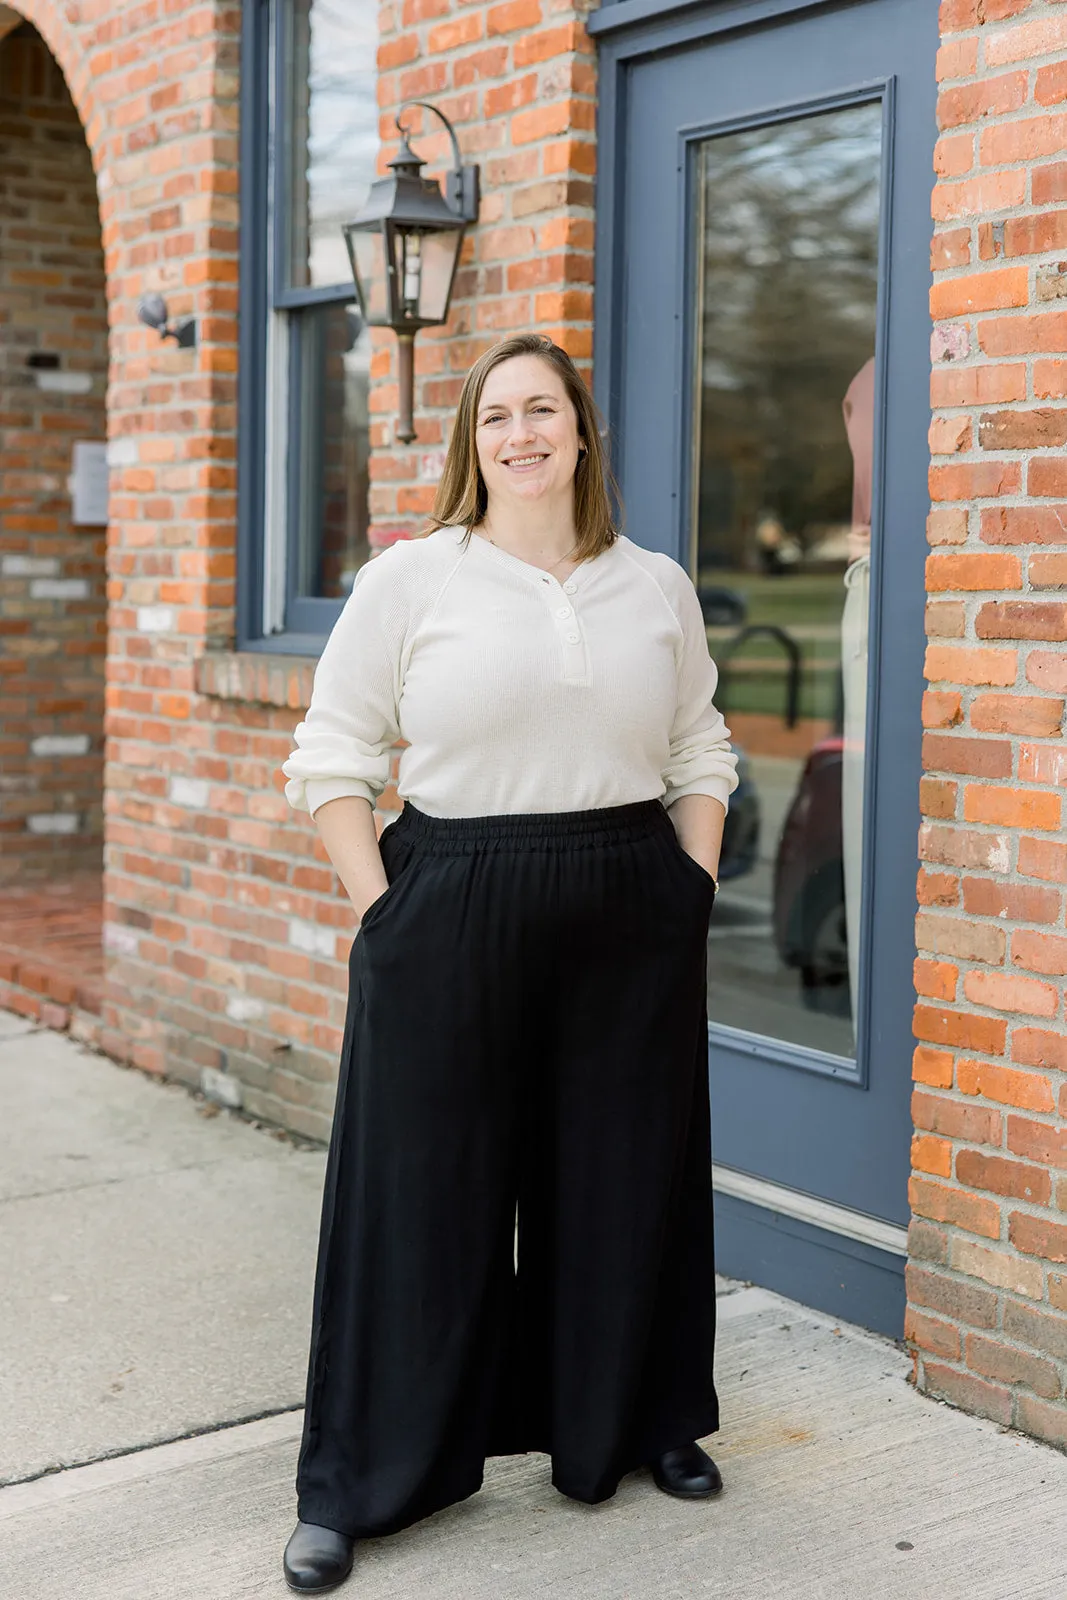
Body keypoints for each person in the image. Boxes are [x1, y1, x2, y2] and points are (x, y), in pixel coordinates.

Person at [279, 333, 739, 1593]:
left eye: (542, 410)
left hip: (626, 895)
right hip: (451, 896)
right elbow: (331, 754)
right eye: (496, 417)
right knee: (418, 1199)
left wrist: (686, 883)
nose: (521, 434)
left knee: (624, 1177)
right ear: (470, 444)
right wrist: (383, 913)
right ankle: (360, 1479)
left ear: (580, 431)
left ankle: (639, 1422)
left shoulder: (652, 583)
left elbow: (701, 741)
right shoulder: (413, 580)